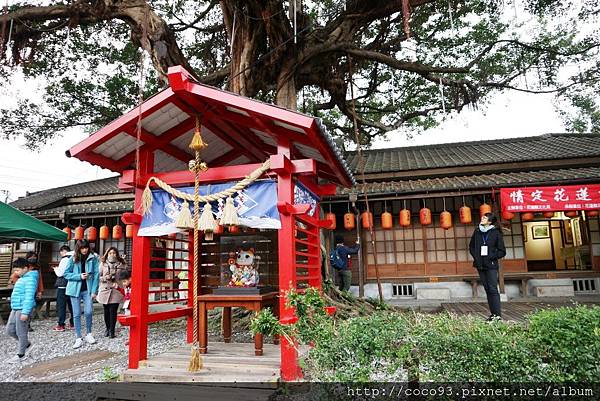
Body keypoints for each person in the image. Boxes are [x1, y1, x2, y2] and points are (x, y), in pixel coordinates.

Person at [469, 212, 507, 321]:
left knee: (493, 289)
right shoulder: (477, 231)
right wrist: (476, 257)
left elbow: (502, 251)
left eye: (485, 217)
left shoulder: (495, 233)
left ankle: (497, 316)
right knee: (487, 289)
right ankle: (493, 315)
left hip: (491, 265)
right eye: (482, 217)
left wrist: (491, 256)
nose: (482, 218)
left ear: (490, 221)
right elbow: (471, 246)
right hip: (480, 265)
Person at [64, 239, 100, 349]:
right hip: (74, 290)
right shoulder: (72, 259)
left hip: (87, 290)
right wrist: (79, 276)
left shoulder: (93, 259)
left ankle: (89, 333)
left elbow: (96, 275)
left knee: (89, 312)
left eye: (86, 247)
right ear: (78, 248)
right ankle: (78, 337)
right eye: (82, 248)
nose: (84, 250)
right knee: (76, 314)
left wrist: (94, 291)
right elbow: (66, 274)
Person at [5, 258, 38, 363]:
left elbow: (29, 297)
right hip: (16, 307)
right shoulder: (22, 278)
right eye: (15, 270)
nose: (16, 273)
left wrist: (25, 312)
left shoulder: (30, 279)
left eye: (18, 270)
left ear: (25, 268)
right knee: (10, 330)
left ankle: (21, 354)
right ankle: (26, 344)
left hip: (23, 308)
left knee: (21, 332)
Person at [97, 247, 128, 338]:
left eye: (114, 253)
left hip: (116, 290)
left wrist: (117, 278)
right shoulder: (102, 264)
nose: (112, 255)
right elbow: (98, 276)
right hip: (105, 289)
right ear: (107, 254)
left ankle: (112, 331)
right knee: (106, 311)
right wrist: (105, 277)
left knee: (113, 311)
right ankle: (107, 328)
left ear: (117, 254)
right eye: (110, 253)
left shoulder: (121, 264)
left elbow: (125, 277)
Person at [52, 245, 75, 331]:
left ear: (64, 251)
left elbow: (60, 274)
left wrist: (55, 269)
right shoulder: (74, 258)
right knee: (72, 305)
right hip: (71, 284)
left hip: (62, 285)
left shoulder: (64, 259)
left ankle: (61, 324)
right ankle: (72, 323)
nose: (61, 254)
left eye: (61, 252)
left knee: (61, 306)